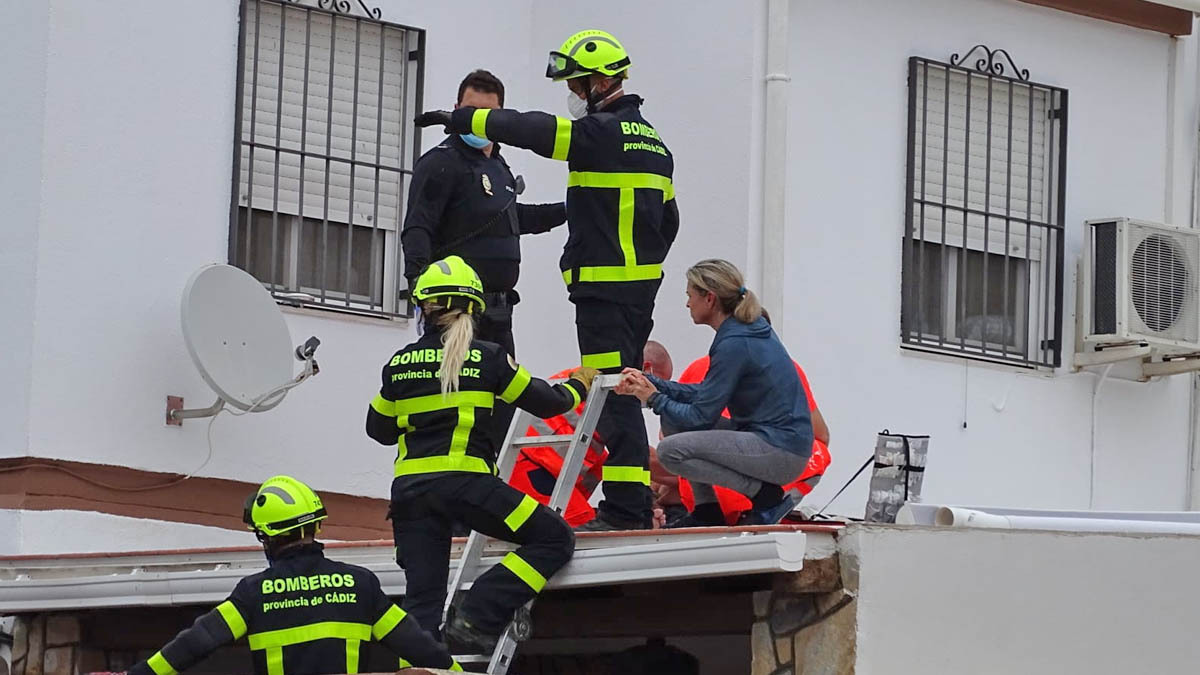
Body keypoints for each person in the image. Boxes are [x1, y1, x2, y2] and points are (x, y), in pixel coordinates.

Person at [415, 30, 678, 531]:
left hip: (603, 290)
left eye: (578, 87)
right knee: (621, 389)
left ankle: (626, 510)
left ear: (602, 81)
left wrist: (462, 118)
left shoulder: (601, 134)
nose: (576, 97)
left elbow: (532, 129)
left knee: (612, 395)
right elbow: (669, 223)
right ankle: (630, 506)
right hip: (639, 291)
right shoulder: (656, 145)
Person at [366, 255, 596, 653]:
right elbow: (546, 401)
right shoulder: (487, 357)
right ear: (475, 309)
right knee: (554, 537)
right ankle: (477, 614)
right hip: (468, 487)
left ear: (424, 307)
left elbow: (378, 429)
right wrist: (579, 384)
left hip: (410, 497)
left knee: (423, 602)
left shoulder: (398, 364)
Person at [126, 476, 459, 675]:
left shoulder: (254, 594)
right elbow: (419, 647)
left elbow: (194, 644)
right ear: (315, 525)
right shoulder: (360, 585)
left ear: (266, 536)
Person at [401, 69, 567, 450]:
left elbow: (511, 221)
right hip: (456, 310)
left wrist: (571, 208)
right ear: (457, 109)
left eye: (488, 115)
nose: (478, 122)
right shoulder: (441, 162)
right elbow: (418, 227)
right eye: (470, 111)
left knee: (499, 409)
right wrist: (418, 286)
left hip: (499, 312)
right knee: (454, 409)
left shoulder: (498, 167)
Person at [617, 259, 813, 527]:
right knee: (673, 420)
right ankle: (706, 509)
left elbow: (700, 416)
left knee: (669, 451)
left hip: (781, 452)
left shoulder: (735, 343)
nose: (687, 304)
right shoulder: (742, 332)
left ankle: (764, 496)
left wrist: (652, 398)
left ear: (709, 299)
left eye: (689, 296)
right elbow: (705, 395)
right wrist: (653, 383)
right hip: (776, 441)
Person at [510, 340, 674, 527]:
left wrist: (647, 503)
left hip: (541, 470)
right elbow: (641, 455)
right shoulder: (608, 388)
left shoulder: (586, 380)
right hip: (531, 468)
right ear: (646, 369)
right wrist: (690, 474)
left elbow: (632, 459)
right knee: (574, 533)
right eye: (659, 383)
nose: (654, 393)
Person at [673, 353, 831, 525]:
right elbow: (820, 434)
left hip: (700, 498)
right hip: (747, 493)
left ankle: (711, 512)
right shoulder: (784, 366)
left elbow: (668, 435)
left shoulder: (697, 367)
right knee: (818, 450)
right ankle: (766, 511)